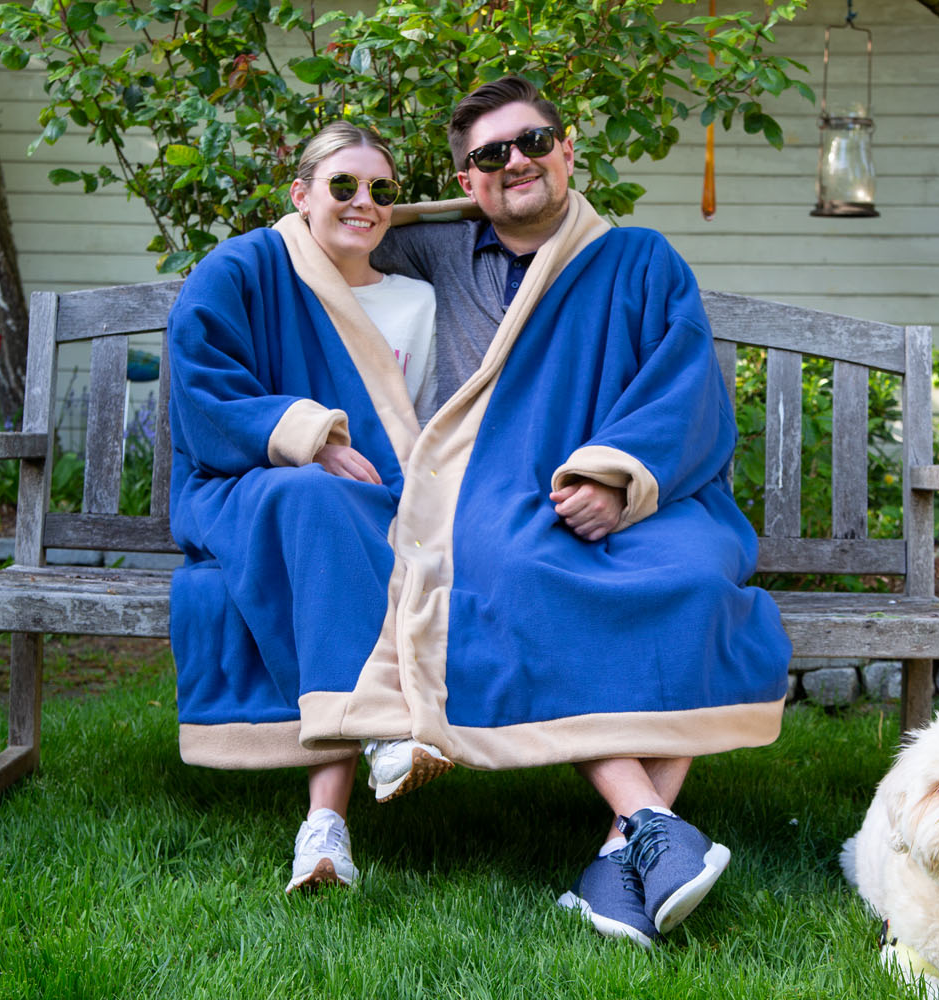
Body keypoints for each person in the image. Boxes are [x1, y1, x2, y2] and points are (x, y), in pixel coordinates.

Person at [366, 76, 793, 946]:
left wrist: (617, 475)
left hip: (647, 488)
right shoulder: (438, 255)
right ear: (468, 185)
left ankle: (616, 856)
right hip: (500, 488)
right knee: (524, 572)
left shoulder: (641, 259)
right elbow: (331, 237)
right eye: (490, 156)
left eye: (533, 142)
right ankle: (651, 826)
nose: (515, 160)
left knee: (695, 581)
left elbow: (684, 383)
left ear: (568, 152)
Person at [166, 122, 452, 895]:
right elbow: (201, 389)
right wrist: (309, 434)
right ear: (300, 194)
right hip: (245, 481)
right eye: (344, 185)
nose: (365, 202)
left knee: (336, 513)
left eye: (383, 191)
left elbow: (414, 422)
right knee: (312, 497)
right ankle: (381, 732)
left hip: (378, 498)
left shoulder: (417, 302)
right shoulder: (242, 269)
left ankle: (324, 827)